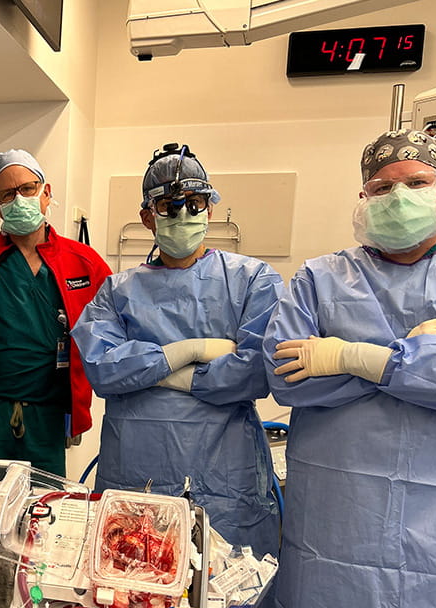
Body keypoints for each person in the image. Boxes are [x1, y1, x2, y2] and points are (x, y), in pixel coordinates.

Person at [264, 129, 436, 608]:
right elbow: (284, 376)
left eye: (416, 183)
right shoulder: (320, 277)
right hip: (334, 521)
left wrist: (349, 355)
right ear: (363, 197)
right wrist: (417, 356)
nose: (398, 198)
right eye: (382, 188)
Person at [71, 143, 282, 560]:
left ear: (210, 209)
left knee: (227, 581)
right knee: (131, 579)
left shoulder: (252, 280)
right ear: (148, 216)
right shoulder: (118, 290)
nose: (183, 214)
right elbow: (101, 367)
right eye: (169, 205)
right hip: (137, 467)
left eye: (195, 203)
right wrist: (194, 351)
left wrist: (152, 367)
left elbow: (259, 369)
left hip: (224, 473)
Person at [0, 149, 111, 477]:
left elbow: (115, 337)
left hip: (49, 419)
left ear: (47, 192)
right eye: (7, 194)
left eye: (28, 189)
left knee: (44, 515)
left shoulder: (85, 264)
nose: (19, 199)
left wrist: (79, 409)